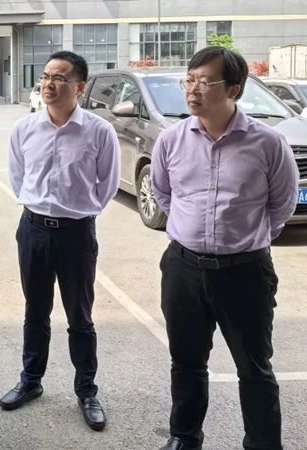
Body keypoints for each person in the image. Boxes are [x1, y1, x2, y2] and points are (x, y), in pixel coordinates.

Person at [151, 47, 298, 450]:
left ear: (233, 89)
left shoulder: (268, 144)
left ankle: (263, 443)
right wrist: (193, 232)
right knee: (186, 362)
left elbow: (281, 206)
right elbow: (164, 193)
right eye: (189, 80)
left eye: (204, 81)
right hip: (183, 269)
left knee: (254, 367)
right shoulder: (171, 140)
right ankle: (184, 437)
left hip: (245, 272)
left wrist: (242, 240)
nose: (192, 90)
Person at [0, 50, 119, 432]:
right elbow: (18, 178)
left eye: (59, 78)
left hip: (76, 234)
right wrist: (39, 208)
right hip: (33, 230)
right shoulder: (25, 129)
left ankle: (86, 391)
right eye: (46, 76)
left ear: (79, 87)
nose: (49, 84)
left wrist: (77, 212)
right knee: (35, 312)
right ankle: (31, 381)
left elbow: (107, 185)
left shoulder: (98, 131)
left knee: (80, 316)